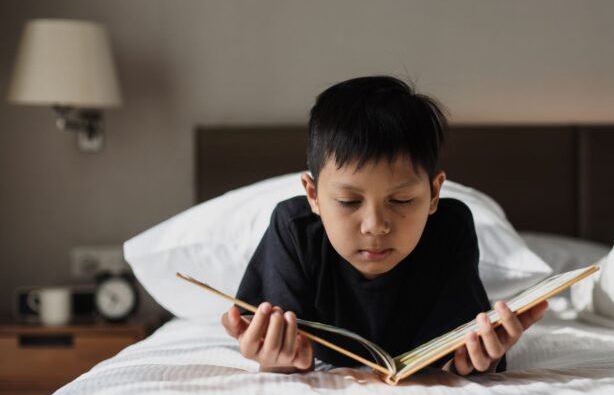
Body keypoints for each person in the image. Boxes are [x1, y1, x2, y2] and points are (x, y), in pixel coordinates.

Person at [220, 75, 547, 377]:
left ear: (434, 193)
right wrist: (274, 359)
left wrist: (474, 361)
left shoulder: (450, 228)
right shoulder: (294, 230)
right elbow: (271, 338)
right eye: (348, 202)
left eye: (402, 200)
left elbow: (463, 347)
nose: (375, 226)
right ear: (313, 195)